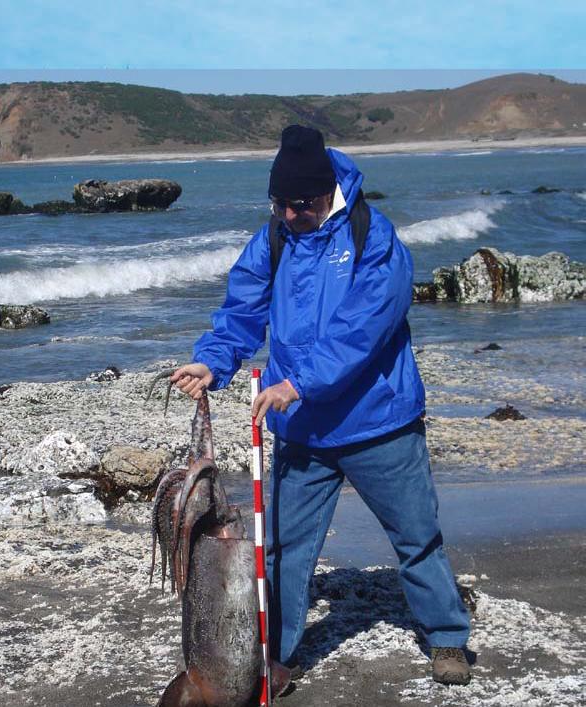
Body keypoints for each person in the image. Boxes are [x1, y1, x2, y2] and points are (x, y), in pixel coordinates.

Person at [171, 125, 471, 686]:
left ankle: (448, 638)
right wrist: (214, 361)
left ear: (327, 190)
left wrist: (298, 383)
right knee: (283, 549)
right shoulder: (274, 238)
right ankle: (276, 657)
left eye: (299, 204)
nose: (288, 215)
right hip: (304, 430)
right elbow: (241, 309)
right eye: (279, 203)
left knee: (416, 534)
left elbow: (363, 332)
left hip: (379, 422)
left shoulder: (373, 238)